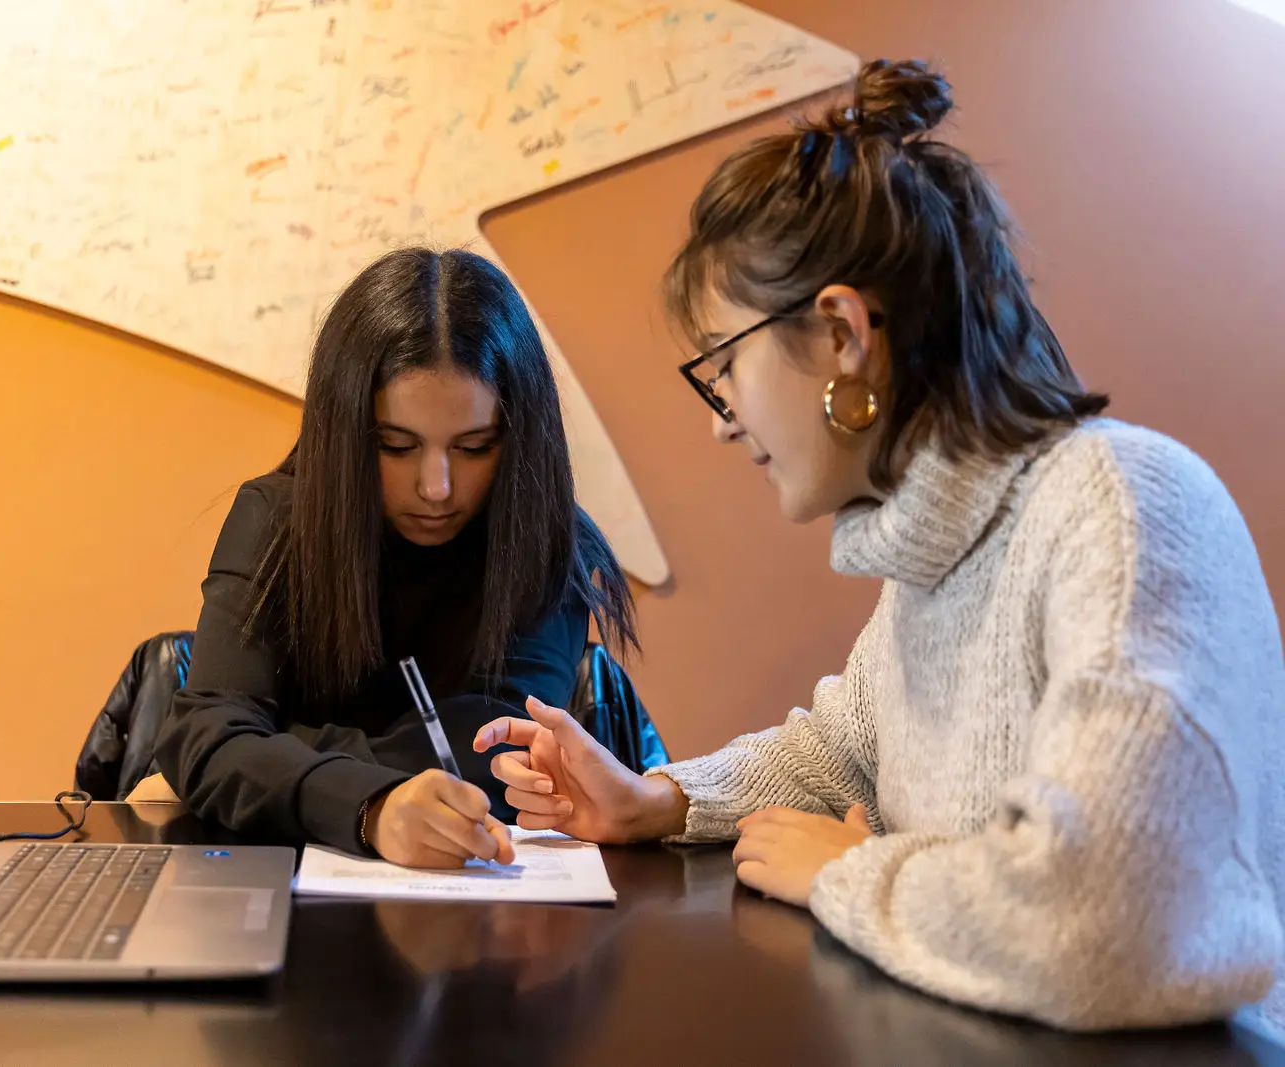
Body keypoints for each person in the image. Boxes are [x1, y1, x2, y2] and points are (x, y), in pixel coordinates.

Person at [474, 59, 1285, 1035]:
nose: (721, 420)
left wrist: (852, 869)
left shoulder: (1118, 507)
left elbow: (1113, 917)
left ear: (842, 333)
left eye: (724, 363)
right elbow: (839, 753)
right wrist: (657, 798)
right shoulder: (932, 561)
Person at [156, 247, 637, 870]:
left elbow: (493, 756)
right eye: (395, 445)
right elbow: (207, 733)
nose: (436, 487)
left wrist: (269, 751)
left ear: (516, 438)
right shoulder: (276, 519)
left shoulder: (547, 541)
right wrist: (373, 807)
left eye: (473, 447)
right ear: (344, 433)